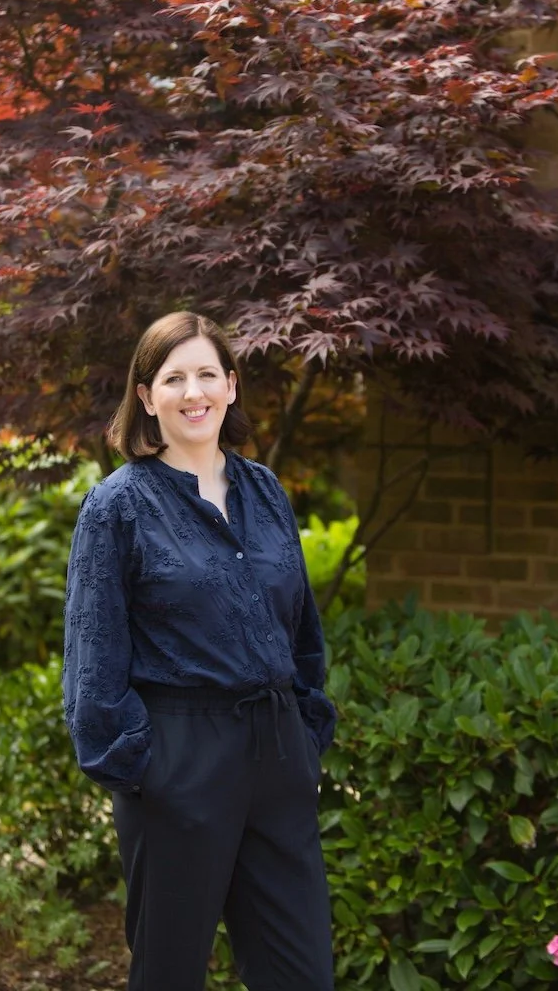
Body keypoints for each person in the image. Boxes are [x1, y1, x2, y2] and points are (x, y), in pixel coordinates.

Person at [62, 310, 337, 991]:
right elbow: (92, 659)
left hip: (276, 753)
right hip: (178, 758)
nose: (194, 393)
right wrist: (142, 768)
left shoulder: (265, 492)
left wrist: (303, 732)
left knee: (300, 974)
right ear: (147, 395)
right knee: (170, 974)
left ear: (232, 386)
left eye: (207, 374)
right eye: (174, 377)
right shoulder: (117, 507)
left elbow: (302, 631)